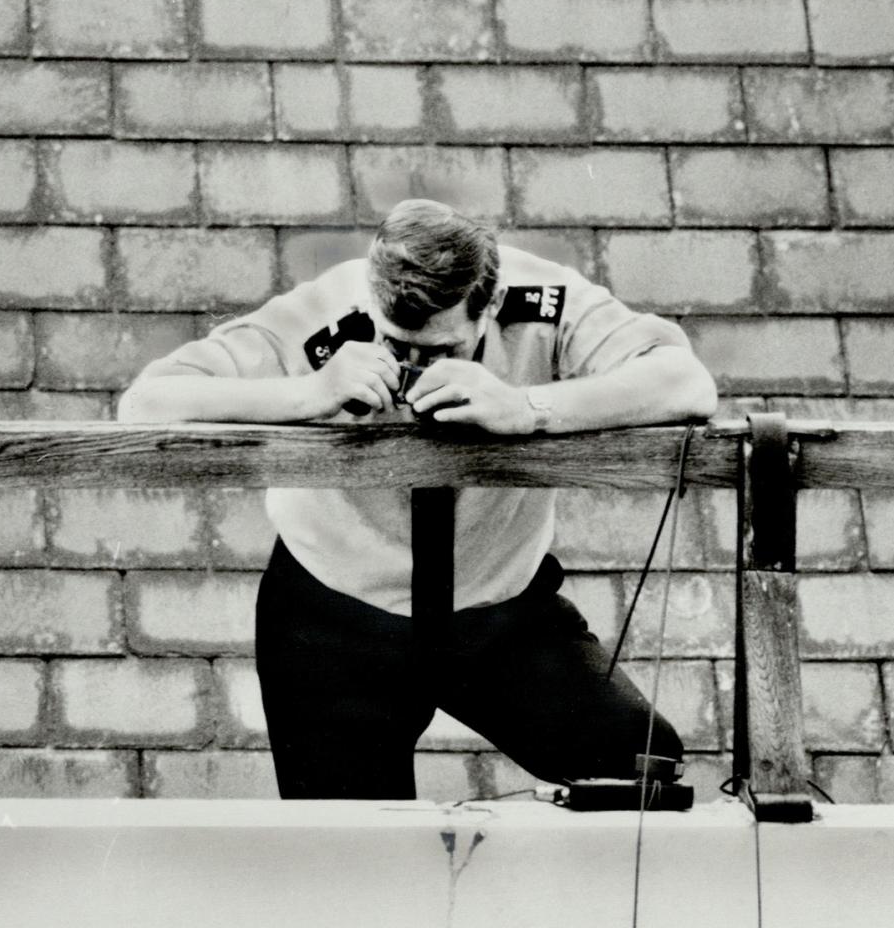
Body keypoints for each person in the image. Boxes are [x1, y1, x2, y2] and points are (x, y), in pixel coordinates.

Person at [118, 199, 719, 799]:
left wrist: (527, 407)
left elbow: (686, 382)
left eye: (441, 351)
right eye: (396, 344)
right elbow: (147, 401)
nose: (414, 369)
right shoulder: (324, 310)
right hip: (337, 618)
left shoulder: (545, 299)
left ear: (489, 307)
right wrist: (308, 394)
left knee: (642, 771)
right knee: (356, 858)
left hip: (499, 612)